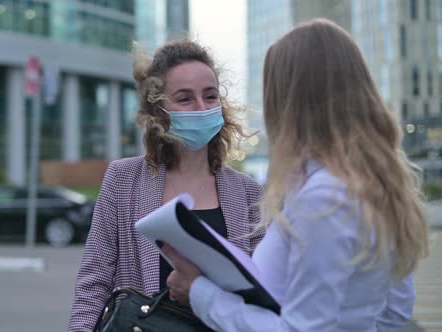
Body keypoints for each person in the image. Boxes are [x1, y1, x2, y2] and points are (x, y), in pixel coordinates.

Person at [163, 18, 430, 331]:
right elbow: (393, 316)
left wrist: (199, 292)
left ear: (288, 100)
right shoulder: (379, 186)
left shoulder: (324, 198)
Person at [67, 39, 264, 331]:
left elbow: (263, 294)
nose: (201, 108)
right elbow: (93, 285)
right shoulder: (123, 179)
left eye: (210, 96)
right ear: (158, 111)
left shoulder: (248, 192)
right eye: (185, 99)